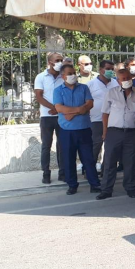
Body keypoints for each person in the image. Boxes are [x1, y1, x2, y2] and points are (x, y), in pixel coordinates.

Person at [97, 64, 135, 200]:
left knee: (130, 162)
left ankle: (130, 188)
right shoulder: (111, 93)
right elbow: (105, 114)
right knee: (109, 161)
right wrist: (105, 132)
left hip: (132, 132)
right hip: (114, 132)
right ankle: (106, 189)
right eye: (123, 79)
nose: (126, 80)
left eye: (128, 78)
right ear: (118, 80)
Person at [52, 64, 101, 195]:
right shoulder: (58, 90)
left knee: (88, 159)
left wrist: (72, 113)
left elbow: (89, 104)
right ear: (63, 76)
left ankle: (94, 184)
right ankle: (72, 185)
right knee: (69, 159)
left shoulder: (84, 88)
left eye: (74, 73)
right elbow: (59, 108)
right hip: (66, 130)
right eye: (70, 73)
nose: (73, 75)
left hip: (84, 129)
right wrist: (80, 110)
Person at [35, 52, 65, 184]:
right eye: (57, 60)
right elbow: (39, 96)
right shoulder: (41, 77)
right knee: (46, 145)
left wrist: (59, 109)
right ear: (50, 62)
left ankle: (62, 172)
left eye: (61, 60)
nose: (60, 62)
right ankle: (46, 173)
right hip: (47, 116)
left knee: (62, 145)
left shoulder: (63, 77)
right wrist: (53, 107)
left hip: (62, 115)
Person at [88, 60, 118, 176]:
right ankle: (90, 171)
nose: (110, 71)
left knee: (111, 147)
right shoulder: (91, 85)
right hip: (96, 120)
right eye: (108, 69)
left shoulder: (116, 84)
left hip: (113, 121)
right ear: (101, 70)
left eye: (112, 69)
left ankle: (106, 170)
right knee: (95, 146)